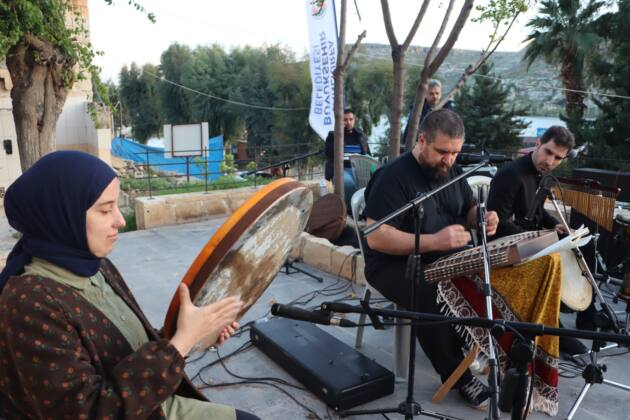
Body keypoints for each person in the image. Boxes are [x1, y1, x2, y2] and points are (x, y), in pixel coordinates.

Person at [0, 151, 259, 420]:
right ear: (62, 215)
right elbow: (87, 412)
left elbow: (125, 347)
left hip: (148, 401)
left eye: (116, 206)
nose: (120, 221)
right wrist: (180, 344)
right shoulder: (30, 301)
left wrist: (195, 332)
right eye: (105, 210)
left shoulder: (97, 267)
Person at [363, 109, 499, 409]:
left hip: (441, 257)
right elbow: (376, 237)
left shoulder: (451, 171)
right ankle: (458, 377)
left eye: (455, 152)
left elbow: (467, 210)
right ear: (422, 141)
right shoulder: (392, 176)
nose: (449, 160)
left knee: (491, 274)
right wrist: (434, 241)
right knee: (430, 292)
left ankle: (477, 345)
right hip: (392, 264)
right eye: (442, 152)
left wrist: (483, 216)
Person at [487, 126, 595, 352]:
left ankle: (587, 318)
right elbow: (497, 224)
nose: (550, 161)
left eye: (558, 158)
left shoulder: (543, 175)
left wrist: (553, 225)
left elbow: (537, 210)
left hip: (530, 241)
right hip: (506, 247)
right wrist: (540, 238)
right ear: (537, 144)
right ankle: (552, 327)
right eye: (548, 152)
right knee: (551, 260)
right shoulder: (511, 174)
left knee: (585, 245)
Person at [324, 109, 370, 208]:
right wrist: (339, 134)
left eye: (351, 119)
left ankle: (367, 208)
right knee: (348, 183)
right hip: (342, 169)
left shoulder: (360, 135)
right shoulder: (333, 136)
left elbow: (367, 154)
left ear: (354, 120)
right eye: (345, 120)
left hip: (360, 169)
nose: (348, 122)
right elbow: (329, 154)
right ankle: (350, 209)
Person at [401, 79, 453, 147]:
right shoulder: (418, 108)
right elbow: (411, 130)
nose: (435, 96)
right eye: (431, 94)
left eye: (437, 93)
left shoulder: (447, 107)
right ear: (425, 94)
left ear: (441, 93)